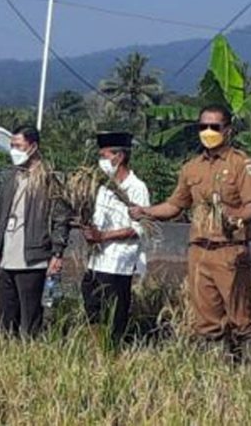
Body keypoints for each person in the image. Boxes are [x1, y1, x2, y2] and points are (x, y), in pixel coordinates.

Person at [129, 104, 251, 359]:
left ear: (228, 130)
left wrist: (233, 218)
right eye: (203, 127)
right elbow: (174, 206)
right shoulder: (191, 168)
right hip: (199, 251)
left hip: (230, 250)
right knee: (206, 318)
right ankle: (217, 368)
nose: (208, 132)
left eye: (215, 127)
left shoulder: (241, 164)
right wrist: (145, 211)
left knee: (241, 315)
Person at [0, 125, 71, 337]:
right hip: (7, 255)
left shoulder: (48, 180)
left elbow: (61, 218)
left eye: (19, 146)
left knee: (30, 314)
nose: (14, 150)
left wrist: (57, 253)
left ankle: (30, 353)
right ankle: (7, 353)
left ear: (32, 147)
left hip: (33, 258)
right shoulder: (11, 178)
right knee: (5, 312)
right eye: (12, 145)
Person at [80, 132, 150, 344]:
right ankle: (96, 348)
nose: (101, 161)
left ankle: (114, 350)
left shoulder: (137, 187)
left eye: (104, 155)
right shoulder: (102, 187)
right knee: (93, 307)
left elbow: (138, 228)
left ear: (118, 157)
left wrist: (103, 236)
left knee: (114, 313)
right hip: (96, 260)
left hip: (119, 262)